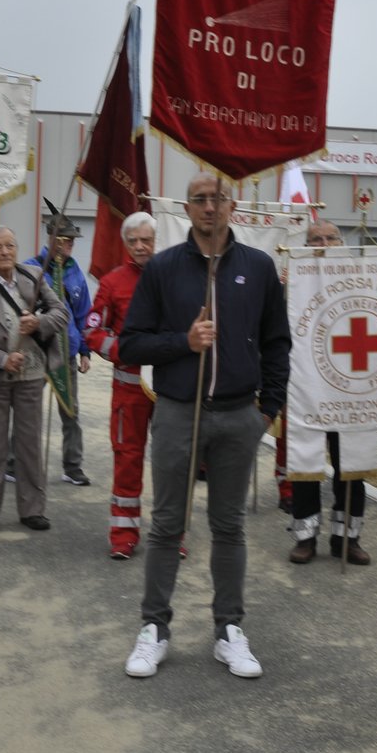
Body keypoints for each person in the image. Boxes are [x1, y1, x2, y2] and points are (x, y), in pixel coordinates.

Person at [119, 174, 289, 680]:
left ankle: (228, 631)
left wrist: (268, 409)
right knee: (168, 525)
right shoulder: (164, 268)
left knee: (229, 527)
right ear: (187, 208)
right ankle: (154, 628)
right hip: (176, 411)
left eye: (218, 198)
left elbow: (277, 342)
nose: (210, 207)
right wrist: (183, 342)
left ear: (232, 205)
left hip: (240, 414)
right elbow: (131, 344)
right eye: (200, 199)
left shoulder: (258, 268)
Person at [0, 226, 68, 532]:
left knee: (29, 445)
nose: (5, 252)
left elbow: (61, 313)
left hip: (31, 374)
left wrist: (39, 322)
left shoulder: (33, 276)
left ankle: (32, 508)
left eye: (10, 245)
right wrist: (1, 359)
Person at [286, 219, 370, 566]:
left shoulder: (363, 281)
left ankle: (347, 539)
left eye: (330, 238)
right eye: (315, 239)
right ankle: (306, 537)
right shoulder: (291, 285)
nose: (323, 243)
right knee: (306, 464)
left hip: (350, 388)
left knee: (351, 465)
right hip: (307, 386)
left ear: (342, 242)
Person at [84, 212, 157, 559]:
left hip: (172, 390)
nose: (141, 246)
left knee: (174, 463)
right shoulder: (112, 282)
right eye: (134, 240)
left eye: (147, 239)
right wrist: (124, 350)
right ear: (125, 243)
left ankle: (172, 534)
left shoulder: (173, 277)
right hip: (130, 390)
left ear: (156, 241)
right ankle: (123, 535)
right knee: (128, 459)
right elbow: (92, 331)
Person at [25, 211, 93, 486]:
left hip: (67, 351)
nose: (69, 246)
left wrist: (86, 351)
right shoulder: (31, 268)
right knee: (28, 411)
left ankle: (72, 466)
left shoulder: (76, 272)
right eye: (65, 240)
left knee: (71, 412)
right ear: (52, 238)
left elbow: (84, 315)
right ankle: (14, 462)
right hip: (37, 351)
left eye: (72, 241)